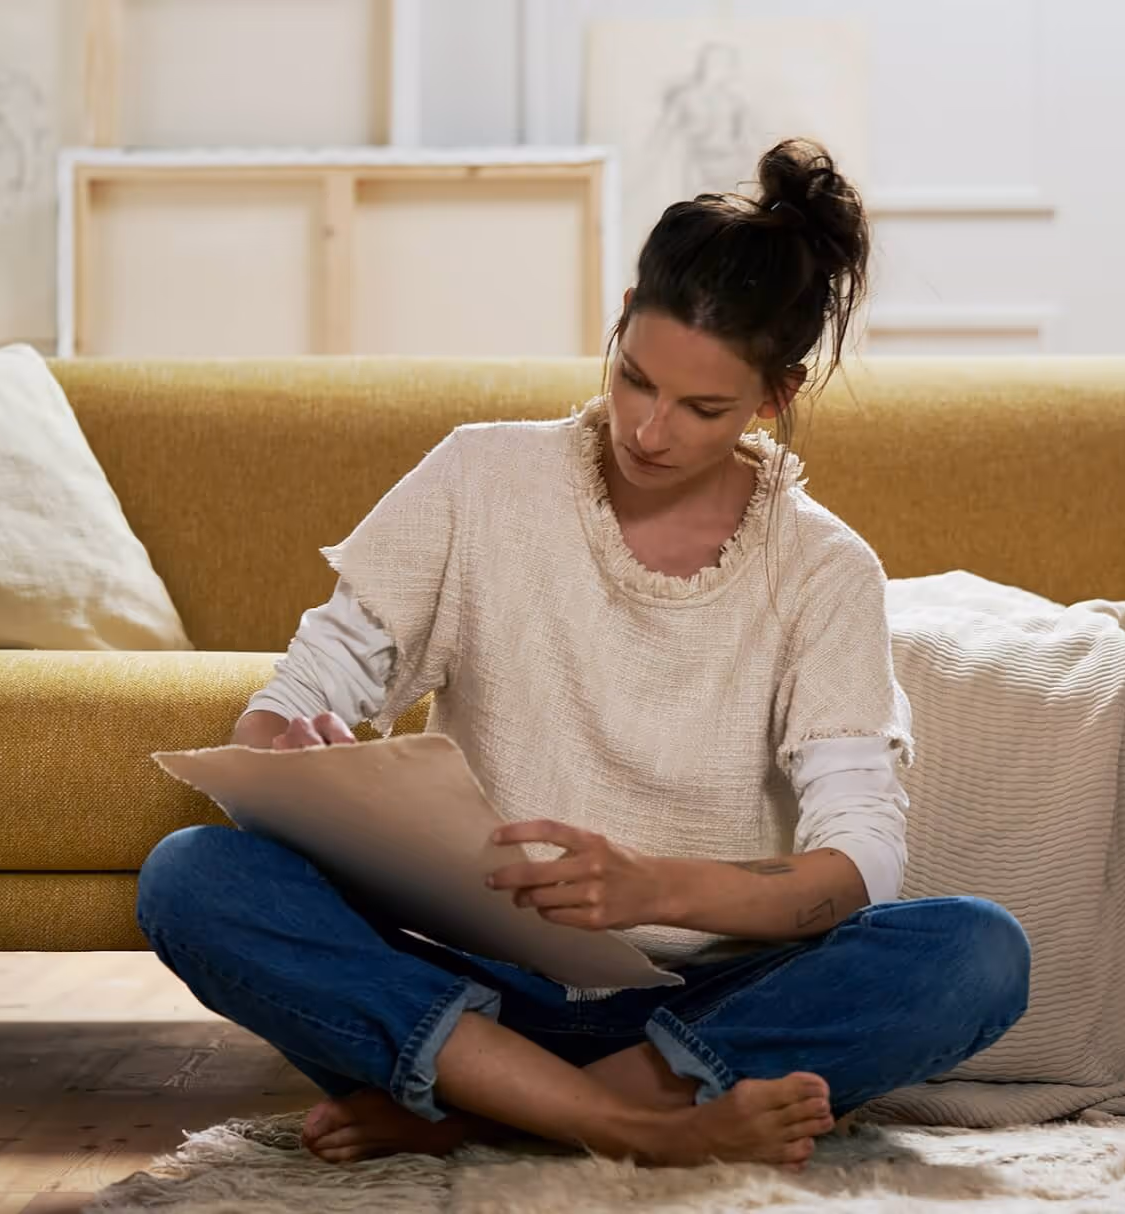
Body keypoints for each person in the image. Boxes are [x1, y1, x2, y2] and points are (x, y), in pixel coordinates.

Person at [134, 138, 1030, 1172]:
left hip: (697, 1011)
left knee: (977, 949)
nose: (648, 430)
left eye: (702, 408)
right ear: (617, 318)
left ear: (773, 398)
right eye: (634, 376)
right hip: (469, 987)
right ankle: (622, 1124)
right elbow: (301, 690)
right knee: (192, 873)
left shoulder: (826, 569)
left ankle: (482, 1111)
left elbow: (860, 860)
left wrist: (655, 888)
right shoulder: (479, 476)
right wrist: (289, 756)